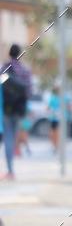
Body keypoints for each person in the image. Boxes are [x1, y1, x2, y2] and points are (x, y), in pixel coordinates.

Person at [0, 43, 33, 180]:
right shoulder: (25, 70)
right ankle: (10, 170)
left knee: (8, 137)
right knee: (13, 137)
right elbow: (29, 92)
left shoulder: (4, 68)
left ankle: (10, 171)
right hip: (19, 109)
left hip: (6, 108)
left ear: (9, 53)